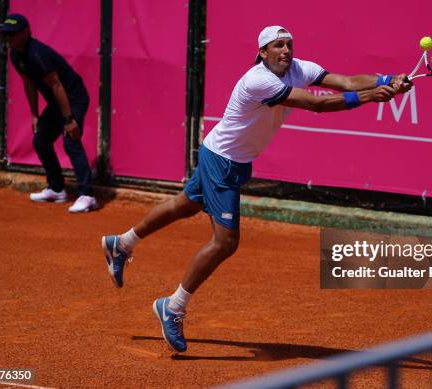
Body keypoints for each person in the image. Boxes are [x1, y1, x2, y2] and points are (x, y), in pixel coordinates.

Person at [102, 26, 412, 352]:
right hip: (222, 160)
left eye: (289, 44)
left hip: (231, 158)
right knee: (226, 242)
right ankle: (174, 306)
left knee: (185, 205)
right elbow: (317, 105)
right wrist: (369, 97)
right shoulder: (258, 79)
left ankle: (122, 243)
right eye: (278, 45)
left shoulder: (297, 69)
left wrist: (387, 79)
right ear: (263, 52)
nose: (286, 50)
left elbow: (347, 82)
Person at [2, 14, 98, 213]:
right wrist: (35, 115)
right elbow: (28, 83)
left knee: (71, 140)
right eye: (6, 34)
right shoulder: (15, 55)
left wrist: (69, 119)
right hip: (58, 101)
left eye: (12, 34)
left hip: (73, 97)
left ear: (26, 33)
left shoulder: (37, 54)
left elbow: (57, 85)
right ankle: (57, 189)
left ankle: (87, 195)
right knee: (41, 140)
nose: (8, 38)